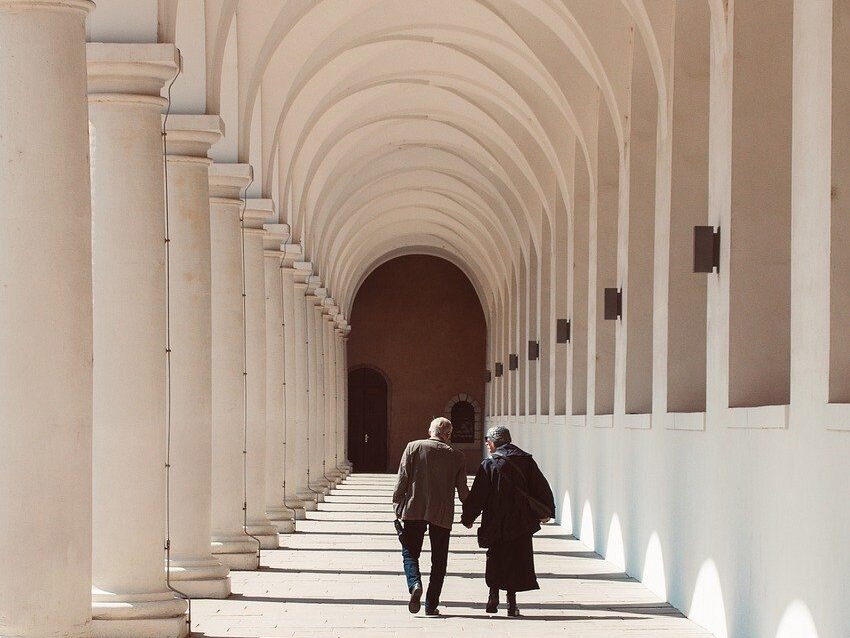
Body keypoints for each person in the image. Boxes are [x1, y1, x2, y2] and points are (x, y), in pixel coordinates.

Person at [461, 425, 555, 617]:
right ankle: (512, 604)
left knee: (495, 557)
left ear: (495, 441)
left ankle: (492, 597)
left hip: (496, 521)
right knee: (516, 559)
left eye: (488, 440)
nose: (487, 443)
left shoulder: (489, 465)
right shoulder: (526, 462)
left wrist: (468, 517)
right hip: (520, 522)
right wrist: (547, 511)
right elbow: (541, 487)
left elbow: (478, 495)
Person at [392, 417, 469, 616]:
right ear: (448, 434)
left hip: (414, 509)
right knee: (439, 559)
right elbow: (463, 492)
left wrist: (397, 504)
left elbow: (402, 478)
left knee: (410, 552)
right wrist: (471, 512)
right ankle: (431, 604)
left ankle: (415, 583)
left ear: (430, 431)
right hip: (442, 513)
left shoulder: (413, 447)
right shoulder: (457, 456)